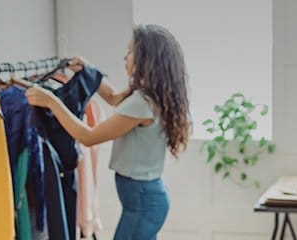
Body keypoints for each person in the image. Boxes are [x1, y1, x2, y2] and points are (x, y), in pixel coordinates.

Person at [26, 24, 190, 239]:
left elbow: (89, 137)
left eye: (131, 52)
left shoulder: (142, 103)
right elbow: (113, 97)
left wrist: (52, 102)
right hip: (145, 198)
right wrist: (89, 70)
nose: (125, 56)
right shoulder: (148, 96)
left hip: (142, 201)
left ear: (147, 60)